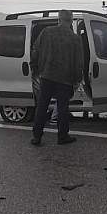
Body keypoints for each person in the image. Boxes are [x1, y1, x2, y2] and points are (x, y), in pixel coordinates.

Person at [30, 9, 84, 145]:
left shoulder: (46, 32)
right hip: (65, 78)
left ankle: (37, 136)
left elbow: (35, 51)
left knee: (42, 106)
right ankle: (62, 136)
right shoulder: (75, 39)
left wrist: (34, 68)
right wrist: (77, 80)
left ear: (59, 19)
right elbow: (79, 62)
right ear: (71, 21)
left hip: (47, 75)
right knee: (63, 108)